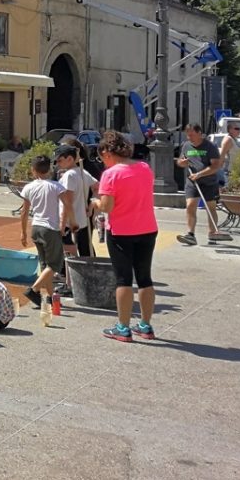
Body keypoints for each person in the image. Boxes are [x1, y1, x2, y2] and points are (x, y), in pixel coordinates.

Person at [92, 130, 159, 342]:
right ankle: (146, 325)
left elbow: (107, 206)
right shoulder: (144, 168)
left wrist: (95, 203)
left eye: (101, 157)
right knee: (145, 278)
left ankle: (123, 327)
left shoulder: (110, 175)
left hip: (121, 231)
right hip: (147, 227)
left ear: (107, 152)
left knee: (123, 280)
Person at [19, 154, 72, 309]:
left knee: (45, 265)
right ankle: (34, 289)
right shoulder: (56, 186)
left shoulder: (29, 187)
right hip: (50, 228)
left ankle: (49, 296)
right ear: (49, 169)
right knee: (55, 264)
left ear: (33, 170)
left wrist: (23, 231)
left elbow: (24, 211)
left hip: (36, 227)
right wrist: (63, 225)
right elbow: (67, 205)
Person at [176, 123, 223, 245]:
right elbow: (180, 162)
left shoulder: (210, 146)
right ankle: (190, 234)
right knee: (190, 205)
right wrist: (182, 162)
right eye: (188, 135)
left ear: (199, 133)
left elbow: (215, 166)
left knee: (210, 207)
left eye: (192, 135)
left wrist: (200, 174)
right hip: (192, 182)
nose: (189, 137)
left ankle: (213, 233)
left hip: (208, 182)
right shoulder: (186, 146)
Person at [56, 145, 98, 258]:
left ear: (69, 159)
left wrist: (62, 224)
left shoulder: (69, 175)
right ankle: (90, 273)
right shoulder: (83, 172)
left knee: (68, 254)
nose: (57, 164)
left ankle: (67, 274)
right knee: (86, 251)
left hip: (70, 223)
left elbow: (67, 202)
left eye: (60, 160)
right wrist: (91, 204)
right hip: (82, 220)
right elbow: (97, 187)